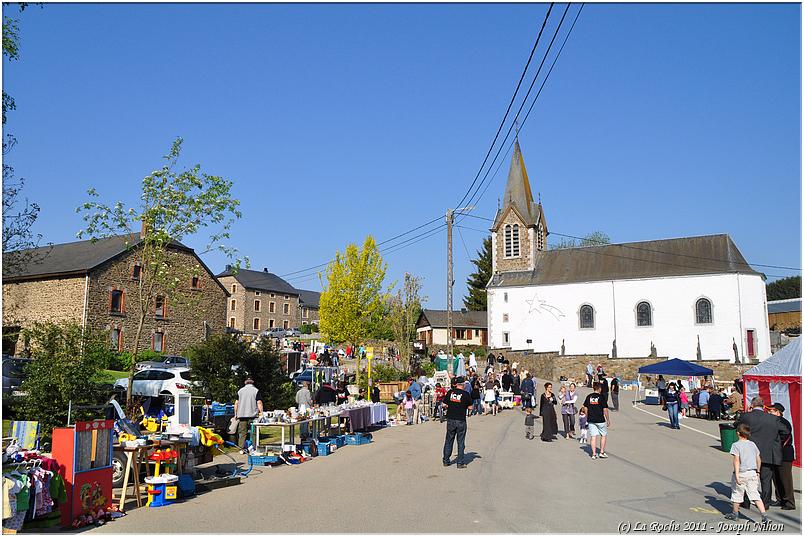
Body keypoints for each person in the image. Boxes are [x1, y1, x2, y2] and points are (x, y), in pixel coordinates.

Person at [738, 396, 786, 509]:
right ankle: (766, 503)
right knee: (766, 479)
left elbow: (737, 426)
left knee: (746, 477)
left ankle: (745, 501)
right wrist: (776, 439)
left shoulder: (746, 417)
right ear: (763, 405)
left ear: (752, 405)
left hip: (749, 452)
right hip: (767, 452)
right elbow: (785, 430)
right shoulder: (772, 418)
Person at [725, 423, 768, 523]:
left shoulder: (736, 445)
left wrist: (736, 475)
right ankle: (764, 515)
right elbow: (758, 458)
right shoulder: (753, 444)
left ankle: (735, 514)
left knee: (737, 494)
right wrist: (758, 471)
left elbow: (736, 460)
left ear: (738, 433)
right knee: (755, 494)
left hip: (741, 473)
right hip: (752, 473)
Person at [767, 403, 796, 510]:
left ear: (778, 412)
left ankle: (789, 502)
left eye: (771, 411)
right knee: (776, 477)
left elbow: (785, 434)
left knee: (785, 479)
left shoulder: (783, 422)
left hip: (784, 454)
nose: (769, 413)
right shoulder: (773, 422)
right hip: (776, 453)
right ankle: (780, 499)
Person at [442, 377, 473, 468]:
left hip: (451, 419)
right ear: (463, 385)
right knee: (460, 441)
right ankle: (460, 463)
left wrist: (450, 407)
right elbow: (470, 407)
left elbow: (444, 404)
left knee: (449, 440)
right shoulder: (466, 394)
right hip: (461, 420)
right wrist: (468, 411)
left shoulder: (450, 393)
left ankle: (446, 461)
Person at [582, 382, 610, 459]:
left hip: (591, 419)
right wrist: (608, 420)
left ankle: (594, 454)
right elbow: (605, 409)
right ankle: (601, 452)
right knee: (603, 435)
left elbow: (585, 407)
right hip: (600, 419)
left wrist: (587, 415)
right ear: (599, 389)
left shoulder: (589, 397)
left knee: (593, 436)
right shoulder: (602, 397)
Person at [234, 377, 264, 449]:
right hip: (253, 415)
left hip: (242, 415)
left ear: (245, 382)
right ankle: (255, 447)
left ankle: (241, 448)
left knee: (242, 433)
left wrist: (235, 414)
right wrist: (261, 413)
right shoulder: (256, 390)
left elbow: (236, 403)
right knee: (254, 433)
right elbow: (259, 402)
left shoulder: (240, 391)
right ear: (252, 382)